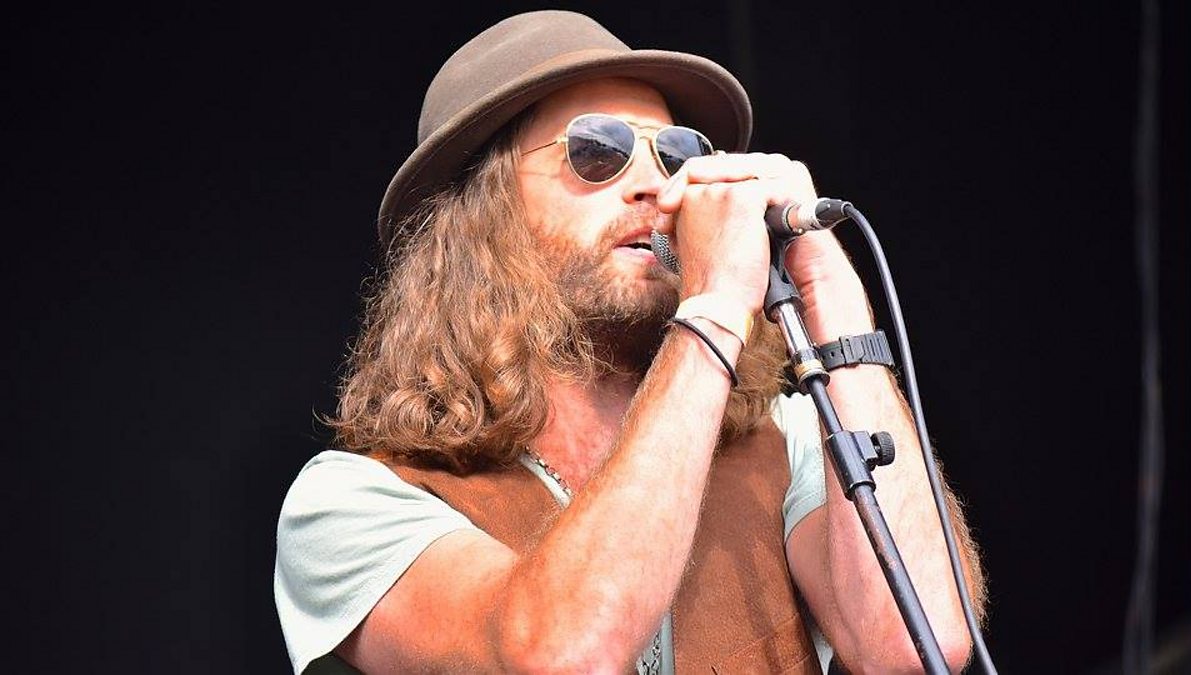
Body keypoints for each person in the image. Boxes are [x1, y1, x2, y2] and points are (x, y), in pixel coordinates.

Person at [274, 10, 985, 674]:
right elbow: (564, 653)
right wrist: (712, 306)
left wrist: (830, 293)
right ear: (477, 222)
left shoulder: (791, 437)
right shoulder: (351, 503)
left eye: (678, 154)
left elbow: (913, 642)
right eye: (598, 150)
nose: (657, 186)